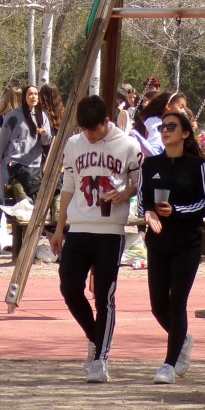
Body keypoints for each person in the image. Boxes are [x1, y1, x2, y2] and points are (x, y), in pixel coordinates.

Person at [50, 95, 142, 383]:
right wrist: (59, 226)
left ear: (106, 122)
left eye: (93, 130)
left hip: (110, 230)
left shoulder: (128, 145)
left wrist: (123, 194)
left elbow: (138, 183)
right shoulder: (74, 144)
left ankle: (101, 359)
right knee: (68, 287)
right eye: (84, 130)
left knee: (104, 296)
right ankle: (94, 337)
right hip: (78, 227)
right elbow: (68, 185)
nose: (88, 135)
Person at [137, 111, 205, 384]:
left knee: (177, 303)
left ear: (185, 133)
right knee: (157, 306)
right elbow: (142, 201)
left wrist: (178, 211)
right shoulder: (150, 166)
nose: (165, 130)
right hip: (158, 243)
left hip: (188, 243)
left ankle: (169, 365)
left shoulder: (198, 166)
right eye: (162, 126)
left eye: (172, 126)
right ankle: (183, 339)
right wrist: (149, 213)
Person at [0, 85, 51, 200]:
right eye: (30, 94)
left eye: (35, 94)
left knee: (35, 200)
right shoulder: (13, 116)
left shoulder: (42, 116)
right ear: (24, 97)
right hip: (15, 164)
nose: (33, 96)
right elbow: (1, 142)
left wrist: (45, 134)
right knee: (18, 201)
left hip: (35, 165)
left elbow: (46, 142)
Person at [134, 92, 171, 156]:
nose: (142, 104)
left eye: (145, 100)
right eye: (181, 106)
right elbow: (155, 149)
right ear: (168, 106)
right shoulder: (152, 121)